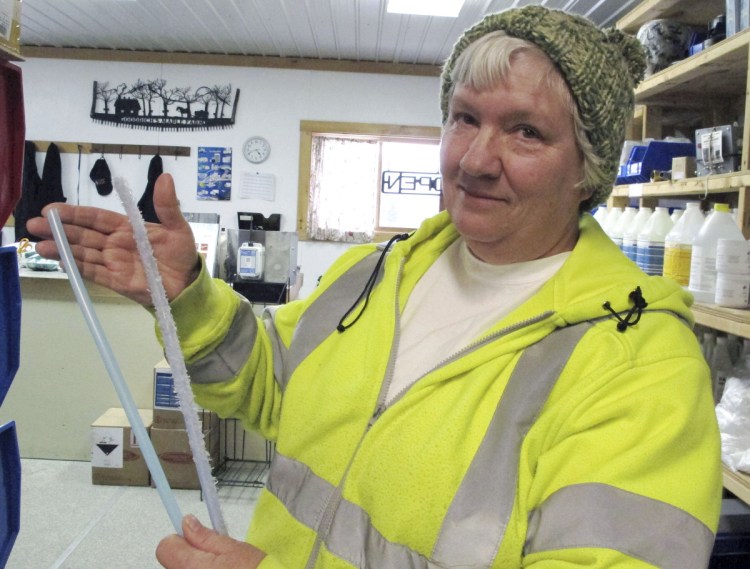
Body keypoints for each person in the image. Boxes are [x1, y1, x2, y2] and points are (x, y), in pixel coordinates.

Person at [29, 6, 722, 568]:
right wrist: (184, 293)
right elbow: (271, 380)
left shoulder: (641, 364)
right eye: (465, 117)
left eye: (526, 132)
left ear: (588, 172)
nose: (478, 159)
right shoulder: (380, 270)